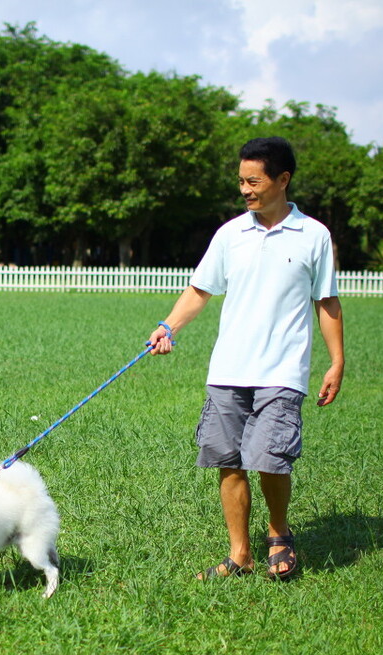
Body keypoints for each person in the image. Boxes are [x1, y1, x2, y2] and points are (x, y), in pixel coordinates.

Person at [147, 137, 344, 580]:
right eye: (240, 181)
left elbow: (327, 301)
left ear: (283, 180)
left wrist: (336, 361)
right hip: (228, 370)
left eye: (253, 181)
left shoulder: (314, 235)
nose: (245, 190)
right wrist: (168, 327)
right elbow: (200, 290)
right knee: (228, 461)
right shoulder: (230, 235)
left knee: (270, 459)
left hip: (282, 369)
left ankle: (279, 533)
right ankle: (240, 555)